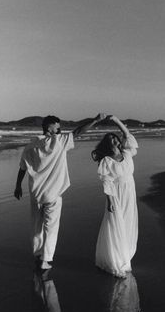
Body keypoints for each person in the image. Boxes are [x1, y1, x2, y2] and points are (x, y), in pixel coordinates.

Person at [14, 113, 106, 270]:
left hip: (36, 193)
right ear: (49, 127)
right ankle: (45, 259)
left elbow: (22, 168)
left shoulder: (30, 146)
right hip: (53, 194)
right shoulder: (58, 142)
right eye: (57, 127)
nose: (60, 129)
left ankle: (37, 254)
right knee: (51, 227)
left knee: (36, 226)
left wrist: (17, 186)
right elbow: (78, 132)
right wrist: (96, 120)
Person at [92, 115, 138, 278]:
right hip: (117, 194)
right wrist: (110, 200)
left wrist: (117, 121)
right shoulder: (106, 161)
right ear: (107, 144)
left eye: (115, 138)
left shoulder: (127, 152)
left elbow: (129, 137)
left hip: (129, 193)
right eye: (110, 139)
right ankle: (116, 262)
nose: (114, 140)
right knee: (116, 224)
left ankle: (125, 259)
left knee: (128, 224)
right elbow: (107, 182)